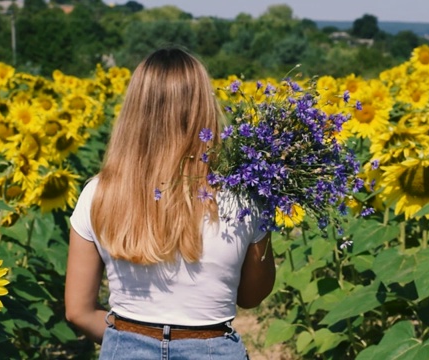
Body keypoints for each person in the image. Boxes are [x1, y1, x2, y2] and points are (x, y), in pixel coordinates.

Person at [65, 47, 276, 360]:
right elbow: (251, 297)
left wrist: (127, 342)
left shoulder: (98, 194)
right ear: (205, 109)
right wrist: (267, 215)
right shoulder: (241, 200)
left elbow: (77, 312)